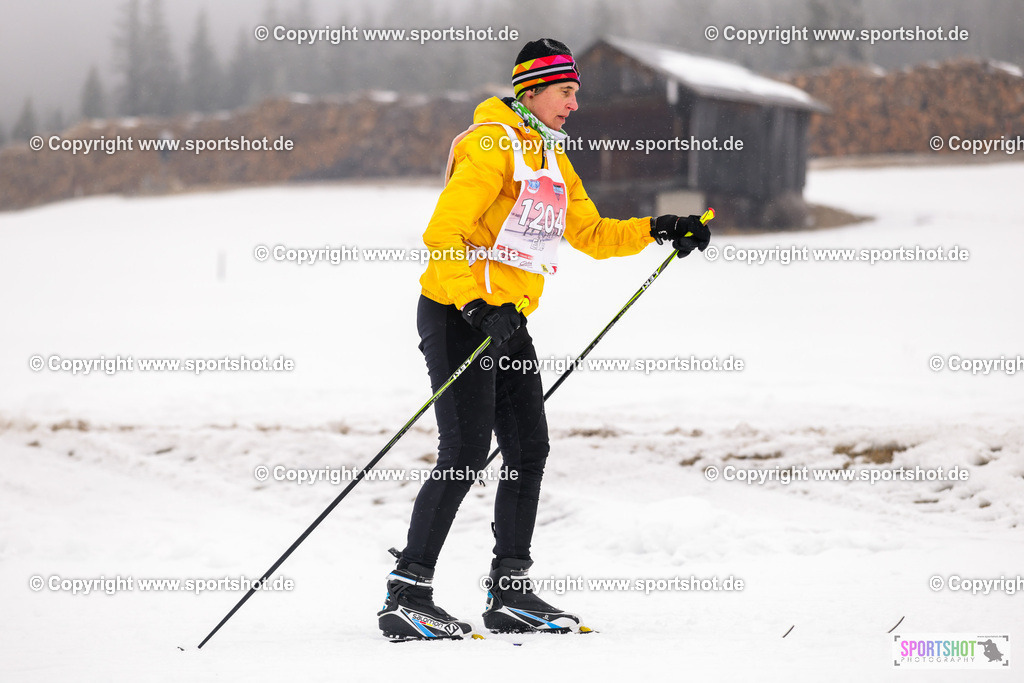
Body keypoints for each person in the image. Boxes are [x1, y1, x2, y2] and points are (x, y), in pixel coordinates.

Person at [377, 38, 711, 641]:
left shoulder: (551, 158)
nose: (575, 105)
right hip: (458, 314)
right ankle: (408, 593)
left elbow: (591, 232)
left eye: (577, 93)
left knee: (528, 448)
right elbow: (444, 232)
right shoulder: (489, 145)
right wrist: (475, 303)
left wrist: (660, 228)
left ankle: (510, 593)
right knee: (465, 454)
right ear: (531, 89)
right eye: (566, 92)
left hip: (506, 317)